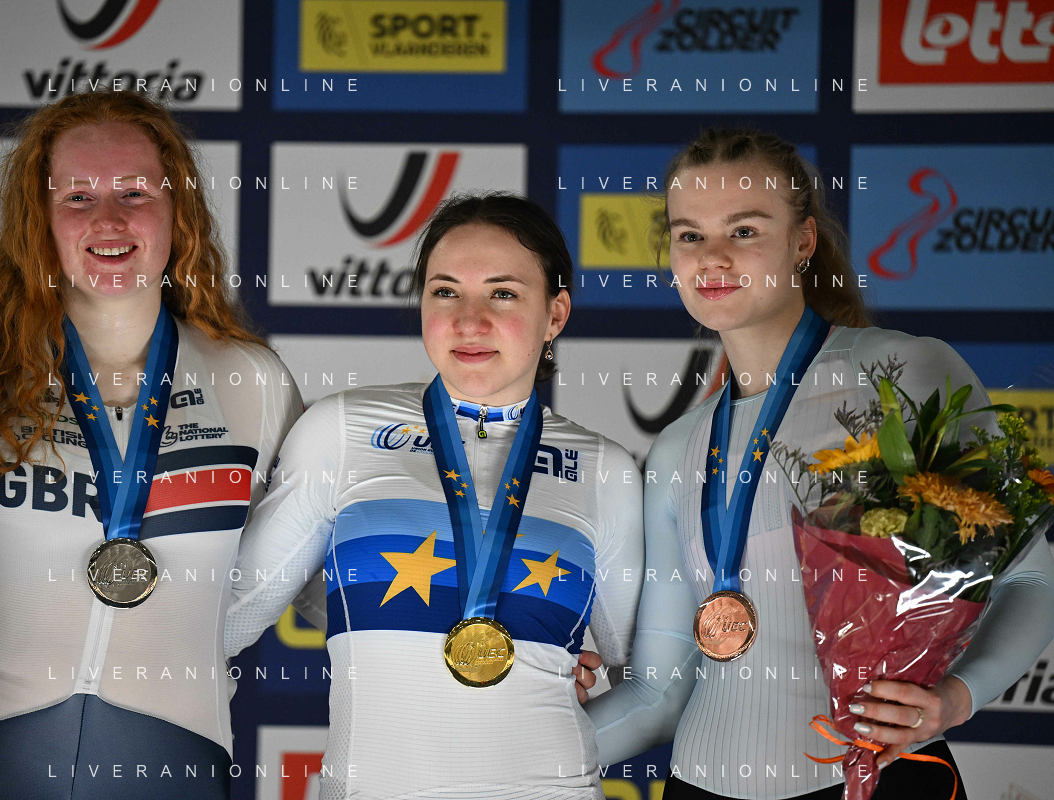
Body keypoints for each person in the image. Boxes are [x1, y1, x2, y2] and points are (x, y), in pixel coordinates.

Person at [583, 128, 1054, 799]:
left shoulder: (900, 372)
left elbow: (1029, 579)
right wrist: (498, 762)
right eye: (689, 235)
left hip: (876, 778)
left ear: (802, 241)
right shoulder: (676, 448)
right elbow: (656, 694)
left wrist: (955, 699)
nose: (712, 256)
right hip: (697, 785)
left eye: (744, 230)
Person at [0, 90, 301, 800]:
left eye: (135, 192)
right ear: (38, 220)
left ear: (179, 210)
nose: (108, 219)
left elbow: (301, 575)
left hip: (179, 751)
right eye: (76, 197)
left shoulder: (253, 382)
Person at [223, 192, 645, 799]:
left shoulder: (603, 469)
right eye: (446, 291)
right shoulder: (342, 430)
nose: (469, 321)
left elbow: (646, 682)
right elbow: (229, 616)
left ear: (555, 314)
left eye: (503, 294)